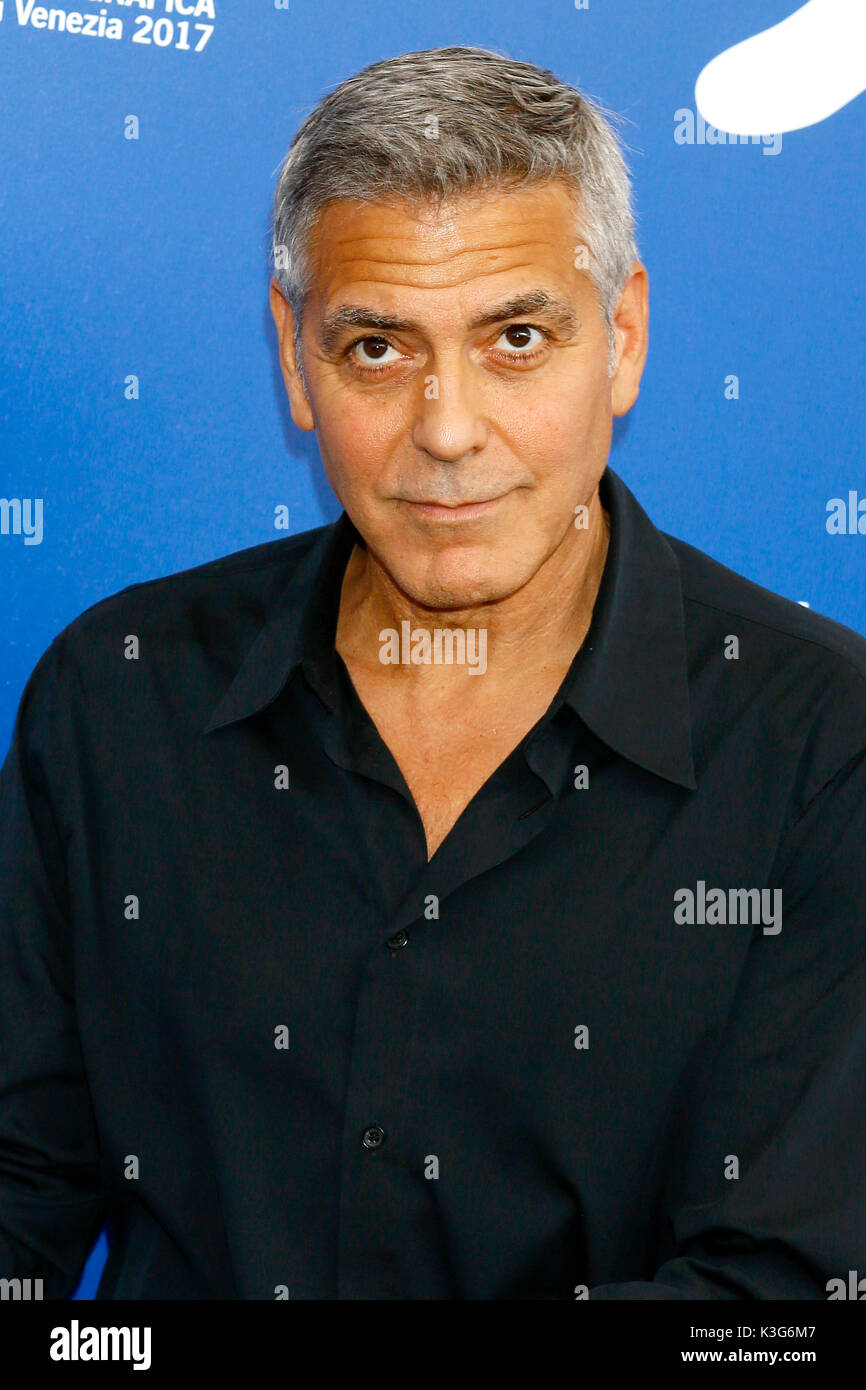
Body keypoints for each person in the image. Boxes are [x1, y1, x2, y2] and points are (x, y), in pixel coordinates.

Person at [1, 46, 865, 1300]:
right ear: (294, 362)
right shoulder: (119, 693)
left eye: (515, 337)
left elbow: (779, 1302)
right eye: (374, 350)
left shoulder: (819, 744)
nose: (446, 429)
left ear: (619, 340)